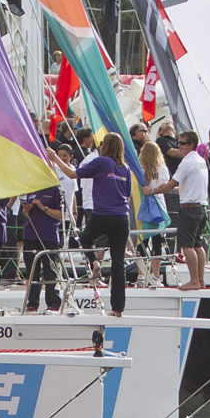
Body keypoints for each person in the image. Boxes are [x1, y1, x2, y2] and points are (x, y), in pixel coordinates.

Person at [52, 132, 133, 316]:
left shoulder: (102, 162)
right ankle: (118, 309)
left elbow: (72, 174)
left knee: (85, 239)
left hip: (102, 214)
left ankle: (94, 262)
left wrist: (55, 158)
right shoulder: (125, 168)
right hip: (122, 217)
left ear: (106, 147)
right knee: (118, 264)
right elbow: (127, 196)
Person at [19, 178, 66, 311]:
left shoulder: (56, 189)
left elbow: (61, 214)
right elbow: (26, 213)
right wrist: (26, 210)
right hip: (30, 234)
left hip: (49, 235)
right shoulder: (33, 187)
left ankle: (53, 303)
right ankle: (32, 303)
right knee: (32, 272)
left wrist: (43, 207)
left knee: (50, 271)